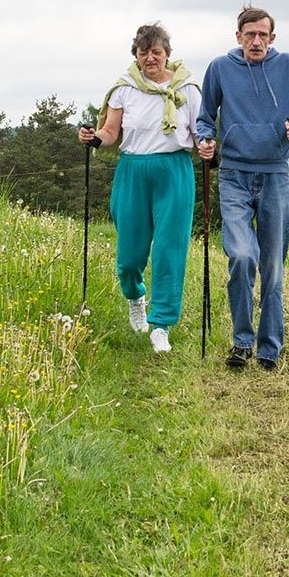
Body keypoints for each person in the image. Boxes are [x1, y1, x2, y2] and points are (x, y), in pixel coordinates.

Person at [195, 6, 289, 371]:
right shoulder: (219, 68)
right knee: (242, 256)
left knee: (273, 267)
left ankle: (269, 348)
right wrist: (205, 141)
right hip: (233, 174)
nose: (257, 41)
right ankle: (241, 341)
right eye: (250, 35)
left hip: (276, 175)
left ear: (273, 38)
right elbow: (204, 119)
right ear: (238, 37)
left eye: (263, 35)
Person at [78, 23, 202, 353]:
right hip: (132, 170)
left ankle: (161, 324)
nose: (150, 58)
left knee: (169, 250)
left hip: (174, 170)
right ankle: (136, 296)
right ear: (136, 55)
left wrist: (208, 145)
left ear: (167, 55)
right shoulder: (124, 88)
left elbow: (199, 130)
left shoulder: (187, 88)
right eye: (143, 52)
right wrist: (94, 139)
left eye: (156, 52)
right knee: (130, 255)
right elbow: (110, 131)